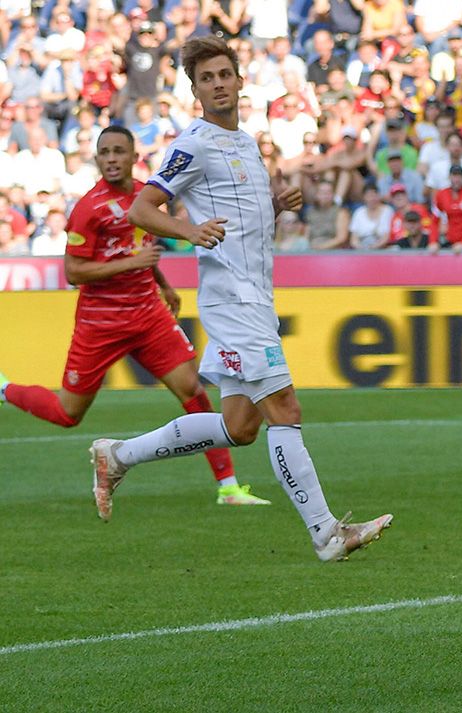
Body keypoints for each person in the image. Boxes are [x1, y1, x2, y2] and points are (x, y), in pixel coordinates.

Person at [96, 36, 392, 560]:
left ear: (238, 81)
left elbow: (242, 216)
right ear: (195, 90)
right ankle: (327, 533)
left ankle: (118, 455)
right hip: (233, 299)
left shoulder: (247, 143)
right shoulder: (196, 142)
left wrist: (275, 205)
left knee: (240, 427)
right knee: (286, 407)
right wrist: (188, 232)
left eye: (224, 75)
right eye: (206, 79)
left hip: (254, 295)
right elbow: (143, 208)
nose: (217, 85)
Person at [0, 126, 270, 508]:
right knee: (67, 413)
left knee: (193, 391)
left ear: (132, 157)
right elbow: (74, 273)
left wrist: (162, 283)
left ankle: (228, 487)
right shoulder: (87, 209)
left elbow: (141, 246)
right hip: (100, 323)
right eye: (105, 153)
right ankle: (4, 389)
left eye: (118, 152)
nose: (111, 159)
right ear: (97, 160)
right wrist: (134, 263)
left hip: (148, 316)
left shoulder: (145, 196)